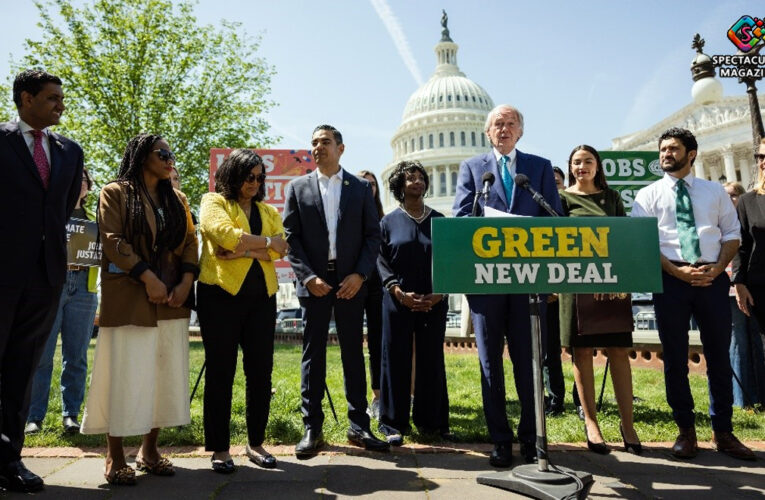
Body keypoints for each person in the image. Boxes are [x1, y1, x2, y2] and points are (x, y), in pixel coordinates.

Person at [80, 134, 199, 484]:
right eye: (162, 153)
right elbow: (113, 241)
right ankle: (114, 455)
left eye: (171, 154)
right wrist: (147, 277)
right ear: (141, 156)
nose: (170, 159)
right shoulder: (115, 192)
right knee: (124, 375)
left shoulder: (177, 198)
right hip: (131, 298)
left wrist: (185, 283)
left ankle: (150, 450)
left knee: (162, 377)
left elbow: (191, 242)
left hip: (172, 301)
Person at [631, 127, 754, 460]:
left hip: (711, 279)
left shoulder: (713, 192)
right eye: (663, 149)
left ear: (692, 153)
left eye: (673, 148)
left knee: (718, 356)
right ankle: (685, 431)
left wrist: (716, 270)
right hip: (670, 280)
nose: (666, 154)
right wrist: (676, 271)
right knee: (675, 360)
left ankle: (724, 432)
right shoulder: (647, 196)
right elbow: (643, 242)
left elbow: (732, 235)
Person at [453, 104, 562, 467]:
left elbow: (554, 217)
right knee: (490, 364)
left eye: (511, 123)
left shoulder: (539, 167)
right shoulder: (472, 169)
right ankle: (500, 439)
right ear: (488, 132)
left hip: (529, 283)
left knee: (529, 362)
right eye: (498, 124)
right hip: (486, 283)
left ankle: (531, 439)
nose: (504, 129)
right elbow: (460, 218)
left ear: (520, 132)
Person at [0, 69, 83, 492]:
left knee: (21, 369)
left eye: (61, 98)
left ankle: (9, 459)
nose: (60, 105)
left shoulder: (70, 151)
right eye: (52, 98)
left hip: (46, 276)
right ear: (26, 98)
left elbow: (63, 208)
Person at [283, 124, 388, 457]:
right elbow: (291, 238)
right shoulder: (297, 187)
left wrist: (360, 274)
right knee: (313, 355)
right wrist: (307, 277)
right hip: (314, 283)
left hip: (349, 283)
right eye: (313, 142)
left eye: (325, 142)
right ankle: (312, 428)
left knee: (352, 356)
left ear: (341, 148)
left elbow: (373, 236)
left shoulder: (359, 188)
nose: (318, 147)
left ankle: (359, 426)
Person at [197, 149, 288, 473]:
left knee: (261, 373)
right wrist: (264, 244)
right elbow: (221, 234)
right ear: (234, 174)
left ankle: (256, 443)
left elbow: (282, 247)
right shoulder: (213, 201)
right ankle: (220, 449)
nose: (255, 182)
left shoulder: (266, 209)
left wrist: (240, 251)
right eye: (249, 176)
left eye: (260, 177)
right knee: (221, 372)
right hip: (219, 296)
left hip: (262, 299)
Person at [558, 145, 641, 454]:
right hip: (575, 286)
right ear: (570, 167)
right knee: (582, 353)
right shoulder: (562, 199)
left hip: (611, 281)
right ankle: (591, 423)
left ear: (597, 166)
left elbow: (622, 238)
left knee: (619, 351)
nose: (582, 166)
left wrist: (621, 276)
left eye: (588, 161)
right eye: (576, 162)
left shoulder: (612, 198)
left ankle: (628, 425)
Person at [377, 161, 449, 446]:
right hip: (397, 300)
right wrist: (397, 291)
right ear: (399, 186)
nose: (417, 182)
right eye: (410, 178)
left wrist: (440, 293)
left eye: (420, 178)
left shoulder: (440, 221)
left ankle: (433, 422)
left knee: (432, 359)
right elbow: (381, 260)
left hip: (434, 299)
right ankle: (392, 422)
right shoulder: (388, 222)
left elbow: (449, 259)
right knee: (395, 358)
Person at [26, 168, 99, 436]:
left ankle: (71, 415)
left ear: (88, 188)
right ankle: (35, 416)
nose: (78, 183)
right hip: (52, 287)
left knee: (77, 356)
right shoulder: (51, 215)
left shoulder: (97, 220)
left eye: (82, 180)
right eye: (72, 178)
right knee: (42, 355)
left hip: (84, 289)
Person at [730, 152, 765, 408]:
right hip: (759, 284)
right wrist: (739, 283)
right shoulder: (748, 201)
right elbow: (742, 245)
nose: (763, 161)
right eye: (760, 156)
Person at [357, 169, 385, 419]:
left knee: (378, 342)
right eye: (363, 184)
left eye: (372, 185)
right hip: (354, 282)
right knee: (353, 344)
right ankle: (356, 399)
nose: (368, 188)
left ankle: (378, 395)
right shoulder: (348, 215)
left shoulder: (382, 218)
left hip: (378, 285)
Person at [544, 166, 567, 417]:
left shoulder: (568, 210)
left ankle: (580, 399)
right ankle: (555, 398)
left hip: (569, 292)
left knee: (580, 350)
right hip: (548, 294)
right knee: (549, 352)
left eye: (557, 182)